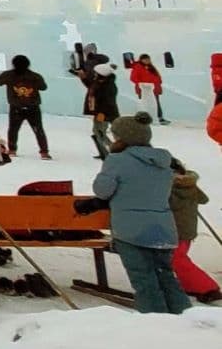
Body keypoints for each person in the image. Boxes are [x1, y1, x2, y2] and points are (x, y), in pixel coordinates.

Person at [86, 114, 187, 314]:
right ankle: (184, 317)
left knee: (144, 279)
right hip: (162, 228)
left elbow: (102, 190)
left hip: (131, 229)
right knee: (166, 276)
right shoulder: (164, 161)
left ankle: (155, 322)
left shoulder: (118, 160)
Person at [169, 159, 220, 303]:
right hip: (187, 230)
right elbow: (204, 199)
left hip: (176, 231)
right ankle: (192, 285)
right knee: (177, 259)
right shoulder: (188, 184)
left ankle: (207, 288)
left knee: (177, 260)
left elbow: (171, 203)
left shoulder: (169, 188)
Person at [0, 54, 50, 159]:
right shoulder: (35, 76)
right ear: (28, 64)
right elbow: (43, 87)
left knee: (13, 130)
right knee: (38, 130)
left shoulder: (9, 75)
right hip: (33, 107)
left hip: (16, 108)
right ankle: (44, 152)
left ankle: (12, 150)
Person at [83, 58, 120, 159]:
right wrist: (82, 78)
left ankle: (112, 148)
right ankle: (105, 149)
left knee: (99, 131)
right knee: (97, 131)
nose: (94, 74)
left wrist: (102, 113)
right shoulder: (101, 82)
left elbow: (108, 102)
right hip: (100, 112)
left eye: (96, 73)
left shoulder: (107, 86)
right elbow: (91, 86)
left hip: (104, 113)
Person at [131, 55, 166, 123]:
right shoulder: (138, 67)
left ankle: (159, 117)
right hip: (144, 89)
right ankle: (145, 118)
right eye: (145, 59)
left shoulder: (151, 67)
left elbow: (157, 77)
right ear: (141, 60)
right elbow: (133, 78)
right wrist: (141, 84)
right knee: (145, 104)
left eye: (148, 59)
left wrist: (158, 83)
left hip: (153, 89)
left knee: (156, 103)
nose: (147, 61)